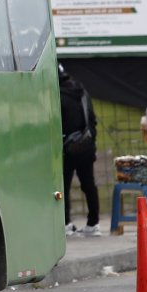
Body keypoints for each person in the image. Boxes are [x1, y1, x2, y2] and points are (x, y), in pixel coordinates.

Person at [60, 64, 101, 237]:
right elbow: (92, 119)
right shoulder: (83, 92)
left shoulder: (59, 96)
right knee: (89, 185)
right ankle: (93, 224)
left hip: (67, 147)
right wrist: (91, 142)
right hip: (86, 145)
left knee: (63, 186)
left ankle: (66, 223)